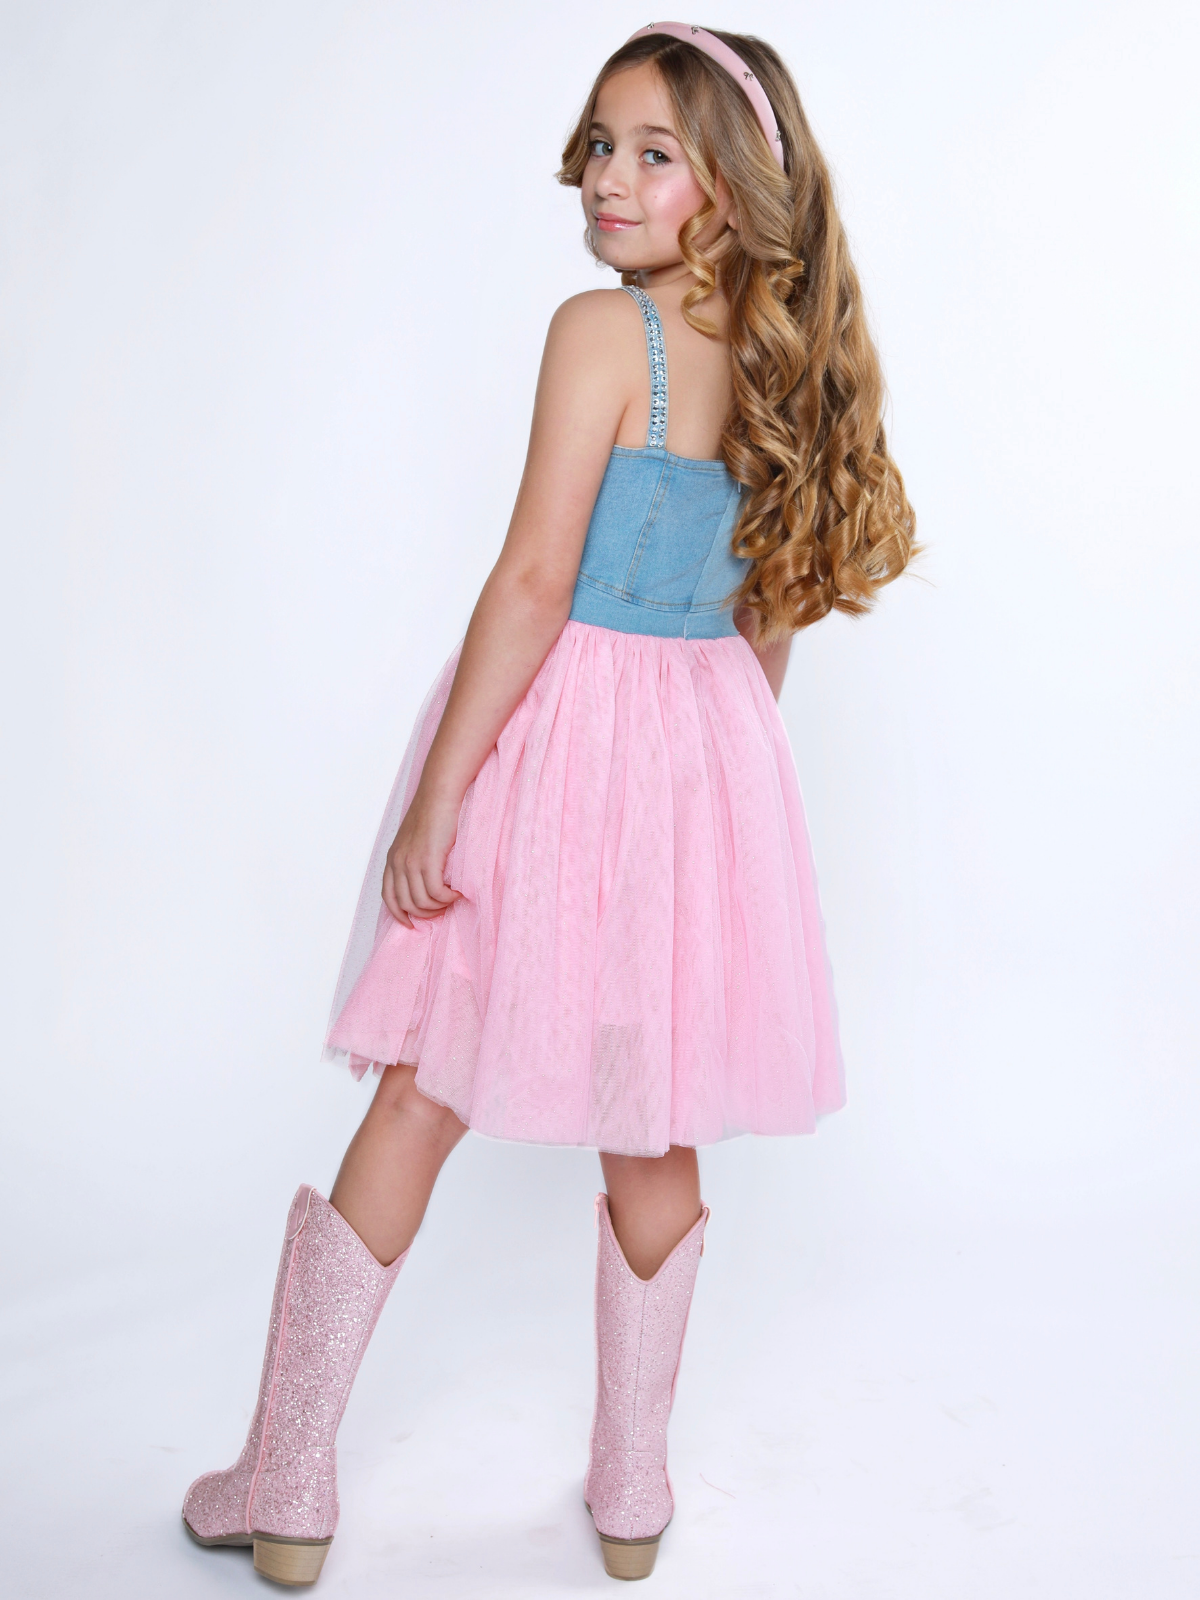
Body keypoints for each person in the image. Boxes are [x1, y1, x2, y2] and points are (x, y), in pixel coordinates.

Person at [181, 22, 915, 1587]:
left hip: (556, 738)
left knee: (418, 1085)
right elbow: (767, 630)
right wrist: (708, 800)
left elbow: (531, 580)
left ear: (732, 185)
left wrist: (440, 795)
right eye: (598, 144)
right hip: (697, 754)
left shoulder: (605, 333)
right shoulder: (777, 362)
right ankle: (632, 1497)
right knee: (653, 1119)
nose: (608, 179)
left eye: (654, 153)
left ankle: (288, 1483)